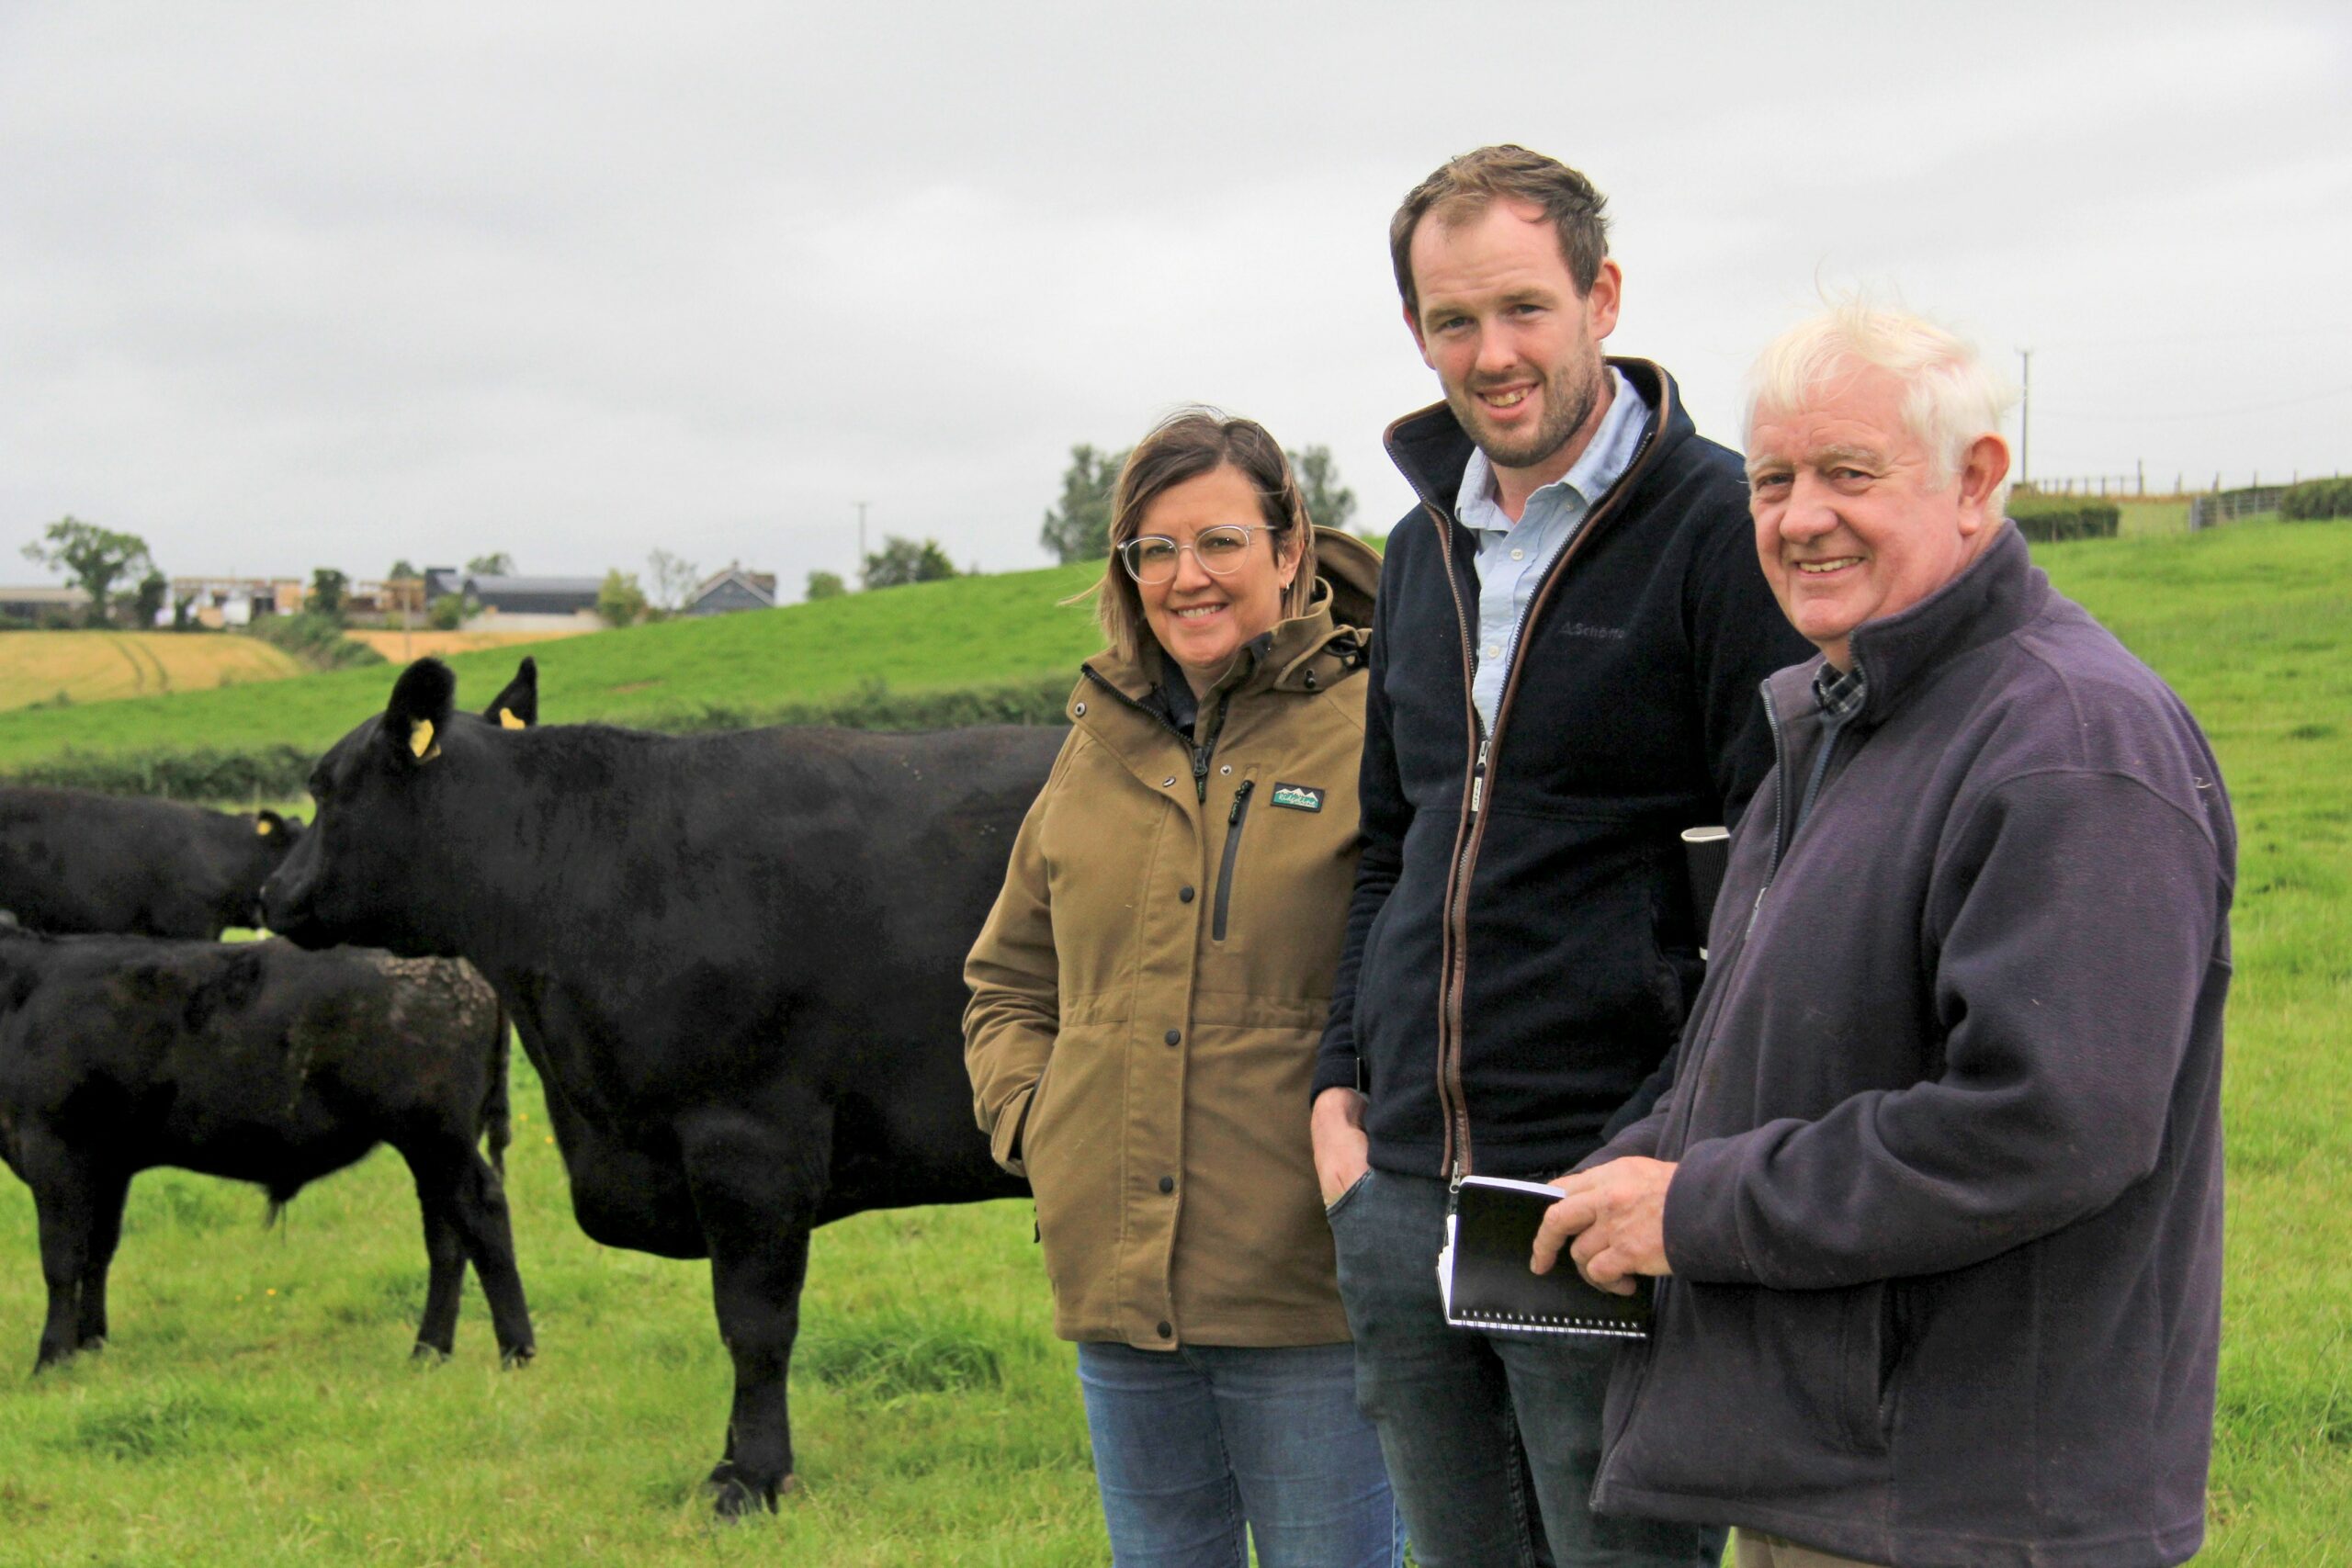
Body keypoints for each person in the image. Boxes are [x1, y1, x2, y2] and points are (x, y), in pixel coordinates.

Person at [1534, 303, 2234, 1568]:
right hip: (1848, 1473)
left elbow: (2046, 1122)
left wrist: (1696, 1207)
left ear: (1975, 482)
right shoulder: (1839, 721)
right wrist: (1638, 1161)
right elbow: (1798, 1043)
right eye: (1773, 478)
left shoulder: (2067, 741)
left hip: (1974, 1499)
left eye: (1850, 473)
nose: (1802, 516)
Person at [1307, 144, 1809, 1567]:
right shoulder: (1421, 549)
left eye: (1525, 308)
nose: (1492, 352)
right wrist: (1341, 1090)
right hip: (1398, 1183)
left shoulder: (1721, 527)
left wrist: (1665, 1137)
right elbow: (1390, 844)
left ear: (1601, 296)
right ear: (1417, 331)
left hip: (1592, 1179)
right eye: (1452, 320)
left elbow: (1779, 876)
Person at [966, 410, 1401, 1568]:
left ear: (1288, 547)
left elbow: (1431, 975)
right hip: (1119, 1297)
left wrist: (1378, 1178)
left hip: (1308, 1292)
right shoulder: (1096, 748)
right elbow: (1004, 981)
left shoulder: (1380, 727)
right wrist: (1041, 1123)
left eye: (1217, 540)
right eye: (1151, 550)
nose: (1185, 576)